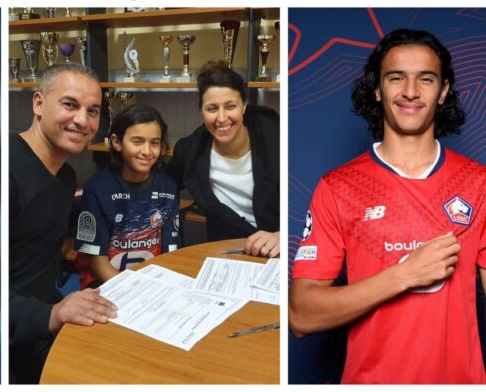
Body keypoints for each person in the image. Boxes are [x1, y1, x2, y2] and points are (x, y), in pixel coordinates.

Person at [289, 29, 486, 383]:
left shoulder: (479, 183)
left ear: (442, 92)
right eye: (397, 78)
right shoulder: (338, 187)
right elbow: (302, 315)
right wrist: (406, 274)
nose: (410, 91)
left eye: (425, 79)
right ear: (378, 89)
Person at [8, 63, 117, 384]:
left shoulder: (67, 176)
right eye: (70, 105)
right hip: (11, 336)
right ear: (38, 104)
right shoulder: (5, 171)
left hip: (46, 315)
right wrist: (52, 314)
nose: (83, 121)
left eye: (93, 111)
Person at [165, 60, 279, 257]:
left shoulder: (276, 136)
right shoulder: (190, 150)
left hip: (279, 251)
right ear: (201, 110)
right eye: (212, 109)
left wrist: (282, 235)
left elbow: (306, 200)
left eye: (230, 106)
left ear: (244, 106)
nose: (222, 118)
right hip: (227, 253)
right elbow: (162, 185)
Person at [73, 105, 180, 289]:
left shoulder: (168, 187)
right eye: (137, 141)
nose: (147, 151)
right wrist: (133, 288)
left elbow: (169, 255)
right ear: (116, 142)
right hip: (105, 282)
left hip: (153, 284)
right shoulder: (97, 188)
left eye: (154, 142)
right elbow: (97, 263)